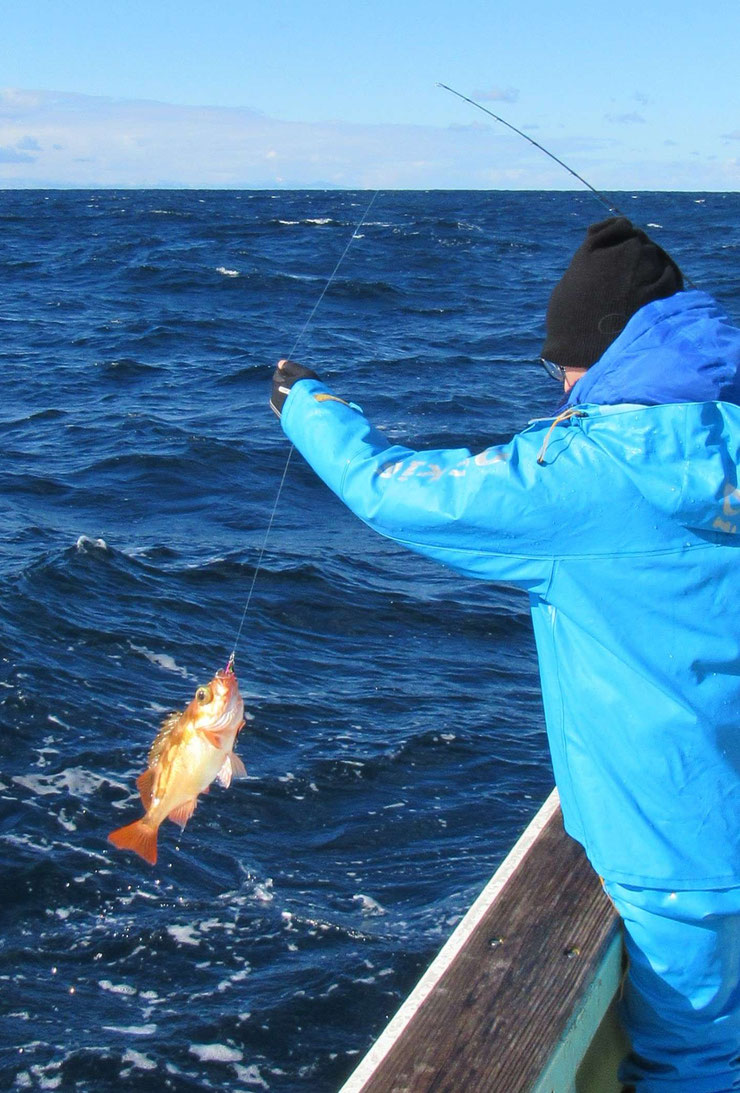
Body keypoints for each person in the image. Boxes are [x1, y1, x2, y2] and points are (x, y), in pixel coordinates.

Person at [269, 216, 740, 1092]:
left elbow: (393, 490)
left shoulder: (579, 476)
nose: (560, 383)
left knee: (697, 1060)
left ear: (599, 358)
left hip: (683, 852)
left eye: (561, 363)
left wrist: (309, 407)